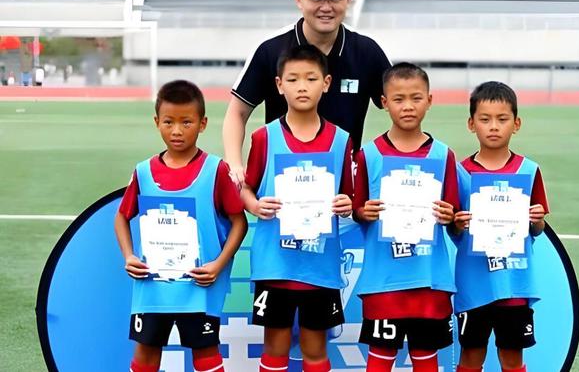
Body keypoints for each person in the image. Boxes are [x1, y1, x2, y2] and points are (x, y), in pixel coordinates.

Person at [114, 80, 248, 372]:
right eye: (168, 122)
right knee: (146, 354)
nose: (177, 130)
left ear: (202, 124)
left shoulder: (216, 170)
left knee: (206, 354)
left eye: (186, 122)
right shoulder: (143, 171)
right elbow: (122, 217)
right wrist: (129, 256)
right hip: (153, 288)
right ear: (156, 123)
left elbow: (239, 222)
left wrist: (218, 265)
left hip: (198, 287)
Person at [223, 0, 391, 184]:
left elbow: (400, 104)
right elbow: (237, 112)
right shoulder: (271, 50)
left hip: (342, 186)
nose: (326, 7)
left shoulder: (366, 51)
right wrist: (234, 164)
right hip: (281, 180)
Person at [241, 45, 354, 372]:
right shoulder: (264, 137)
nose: (302, 86)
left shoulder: (341, 140)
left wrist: (347, 204)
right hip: (275, 265)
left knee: (315, 348)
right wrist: (255, 204)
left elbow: (350, 196)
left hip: (319, 267)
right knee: (274, 346)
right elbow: (246, 189)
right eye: (293, 79)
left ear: (326, 83)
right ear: (279, 85)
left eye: (311, 78)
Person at [351, 63, 461, 371]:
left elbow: (454, 214)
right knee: (380, 355)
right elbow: (358, 209)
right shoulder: (369, 154)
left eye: (416, 98)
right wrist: (363, 212)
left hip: (429, 278)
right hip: (384, 280)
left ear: (429, 100)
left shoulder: (443, 155)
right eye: (399, 99)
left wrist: (449, 215)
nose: (408, 106)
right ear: (384, 102)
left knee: (426, 356)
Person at [452, 81, 549, 372]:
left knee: (512, 358)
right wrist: (457, 224)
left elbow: (537, 230)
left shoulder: (528, 171)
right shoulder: (460, 173)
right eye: (485, 119)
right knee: (471, 356)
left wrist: (537, 221)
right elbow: (452, 230)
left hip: (513, 284)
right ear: (471, 124)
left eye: (502, 119)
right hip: (474, 284)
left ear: (516, 124)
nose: (493, 126)